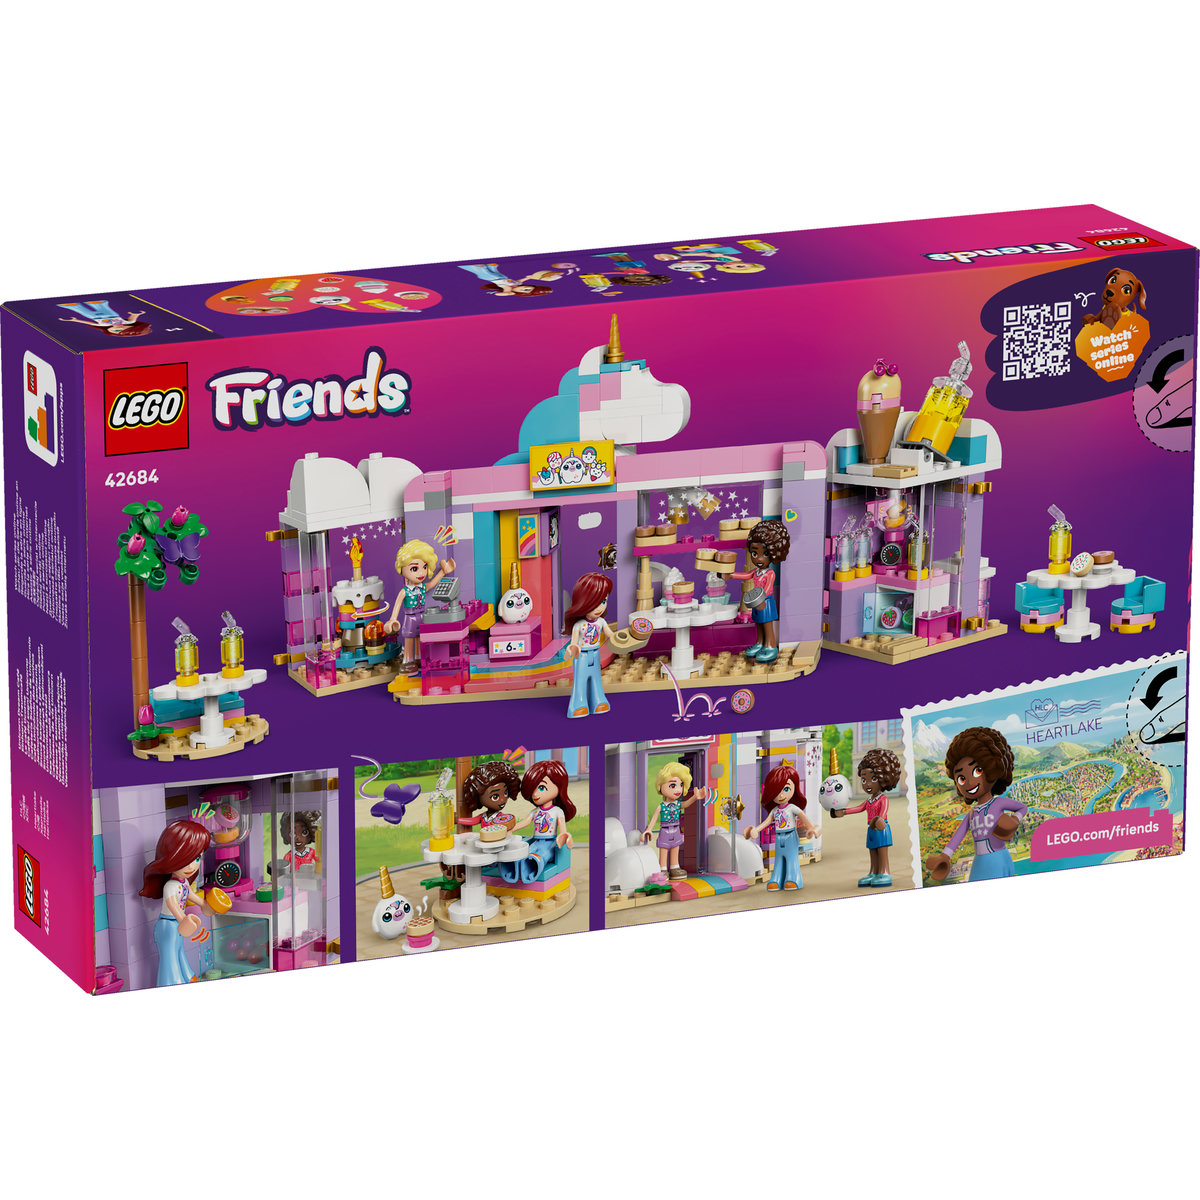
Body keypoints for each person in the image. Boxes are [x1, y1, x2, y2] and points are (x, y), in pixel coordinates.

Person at [926, 727, 1026, 883]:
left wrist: (1014, 820)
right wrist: (945, 856)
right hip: (979, 862)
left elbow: (1022, 808)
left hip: (998, 858)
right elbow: (958, 836)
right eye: (961, 778)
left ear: (992, 769)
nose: (969, 782)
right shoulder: (972, 813)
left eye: (977, 771)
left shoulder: (998, 803)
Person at [138, 819, 213, 987]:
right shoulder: (170, 886)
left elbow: (191, 895)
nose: (192, 866)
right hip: (167, 926)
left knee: (179, 953)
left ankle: (187, 977)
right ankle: (172, 984)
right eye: (186, 859)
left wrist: (204, 904)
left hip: (176, 925)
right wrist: (183, 919)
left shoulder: (183, 883)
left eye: (197, 858)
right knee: (169, 959)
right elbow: (173, 905)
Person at [385, 539, 455, 673]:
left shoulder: (422, 587)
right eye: (415, 569)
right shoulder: (405, 591)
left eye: (424, 567)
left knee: (420, 637)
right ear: (402, 569)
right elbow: (397, 605)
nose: (421, 572)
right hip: (410, 617)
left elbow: (432, 583)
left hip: (422, 616)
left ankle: (419, 658)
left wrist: (443, 572)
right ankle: (408, 660)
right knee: (409, 638)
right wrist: (393, 619)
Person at [744, 763, 817, 890]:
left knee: (791, 858)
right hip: (779, 837)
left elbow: (803, 817)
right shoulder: (775, 810)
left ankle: (793, 878)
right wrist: (756, 830)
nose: (781, 795)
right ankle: (776, 879)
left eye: (786, 789)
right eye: (777, 791)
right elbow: (767, 822)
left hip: (790, 836)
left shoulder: (792, 808)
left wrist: (811, 828)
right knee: (778, 859)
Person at [564, 572, 614, 718]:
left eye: (603, 601)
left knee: (596, 679)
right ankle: (579, 704)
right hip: (582, 656)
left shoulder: (601, 622)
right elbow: (573, 642)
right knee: (580, 680)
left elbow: (611, 635)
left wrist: (622, 639)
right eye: (595, 602)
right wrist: (572, 649)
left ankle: (598, 701)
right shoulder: (579, 625)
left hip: (595, 654)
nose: (599, 608)